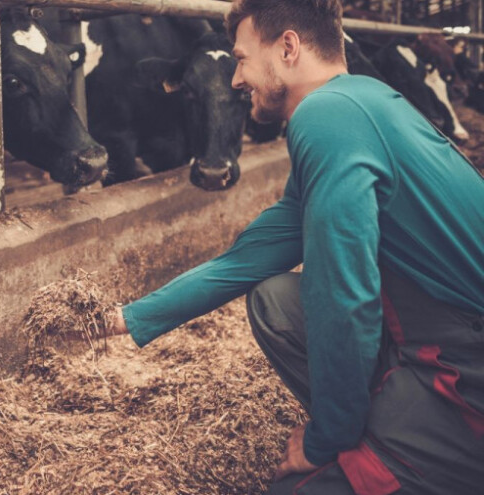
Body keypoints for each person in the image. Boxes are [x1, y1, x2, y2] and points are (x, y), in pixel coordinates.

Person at [101, 0, 484, 493]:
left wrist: (328, 440)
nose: (236, 79)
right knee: (275, 298)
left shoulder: (324, 117)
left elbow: (344, 297)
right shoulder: (361, 99)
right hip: (441, 336)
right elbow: (246, 260)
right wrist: (128, 317)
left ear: (287, 48)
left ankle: (419, 453)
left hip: (464, 371)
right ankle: (391, 429)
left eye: (239, 58)